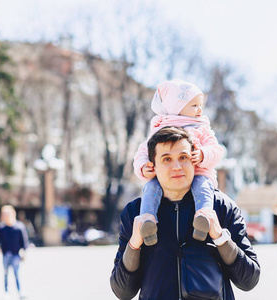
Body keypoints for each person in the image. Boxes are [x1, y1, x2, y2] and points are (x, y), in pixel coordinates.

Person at [111, 126, 260, 299]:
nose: (177, 167)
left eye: (183, 157)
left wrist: (220, 237)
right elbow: (122, 291)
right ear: (153, 166)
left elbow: (249, 280)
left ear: (194, 161)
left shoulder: (222, 207)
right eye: (166, 159)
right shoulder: (136, 212)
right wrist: (134, 244)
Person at [133, 79, 223, 246]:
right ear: (177, 107)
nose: (200, 109)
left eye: (200, 104)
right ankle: (147, 220)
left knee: (202, 187)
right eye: (194, 105)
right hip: (165, 180)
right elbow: (142, 152)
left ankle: (203, 216)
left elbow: (217, 150)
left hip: (200, 173)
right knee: (150, 187)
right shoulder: (161, 129)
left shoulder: (201, 127)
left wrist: (203, 154)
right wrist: (143, 167)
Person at [0, 205, 29, 298]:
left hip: (16, 255)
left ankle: (20, 291)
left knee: (17, 274)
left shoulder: (19, 227)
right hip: (5, 254)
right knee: (5, 274)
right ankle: (6, 292)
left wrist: (24, 252)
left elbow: (24, 242)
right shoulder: (1, 227)